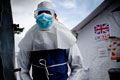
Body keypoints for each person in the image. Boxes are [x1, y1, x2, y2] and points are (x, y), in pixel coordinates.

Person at [17, 1, 86, 80]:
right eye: (40, 13)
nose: (43, 16)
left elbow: (78, 67)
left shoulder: (66, 36)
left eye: (47, 12)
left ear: (54, 16)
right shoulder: (29, 37)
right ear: (35, 16)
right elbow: (22, 70)